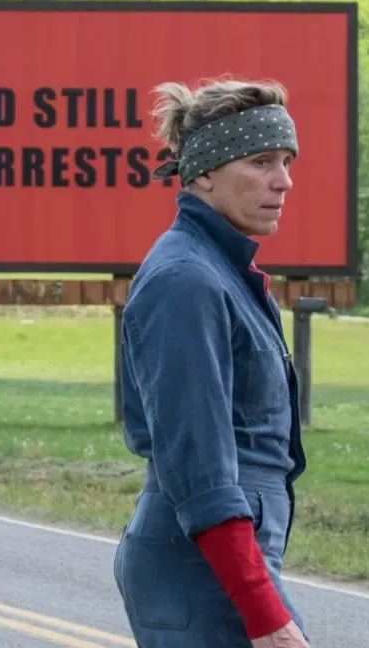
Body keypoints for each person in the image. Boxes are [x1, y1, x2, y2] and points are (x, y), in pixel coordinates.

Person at [113, 77, 310, 648]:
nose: (284, 180)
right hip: (200, 564)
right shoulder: (186, 281)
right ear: (203, 173)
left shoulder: (221, 272)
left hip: (214, 558)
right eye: (260, 161)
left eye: (287, 161)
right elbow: (199, 468)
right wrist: (263, 611)